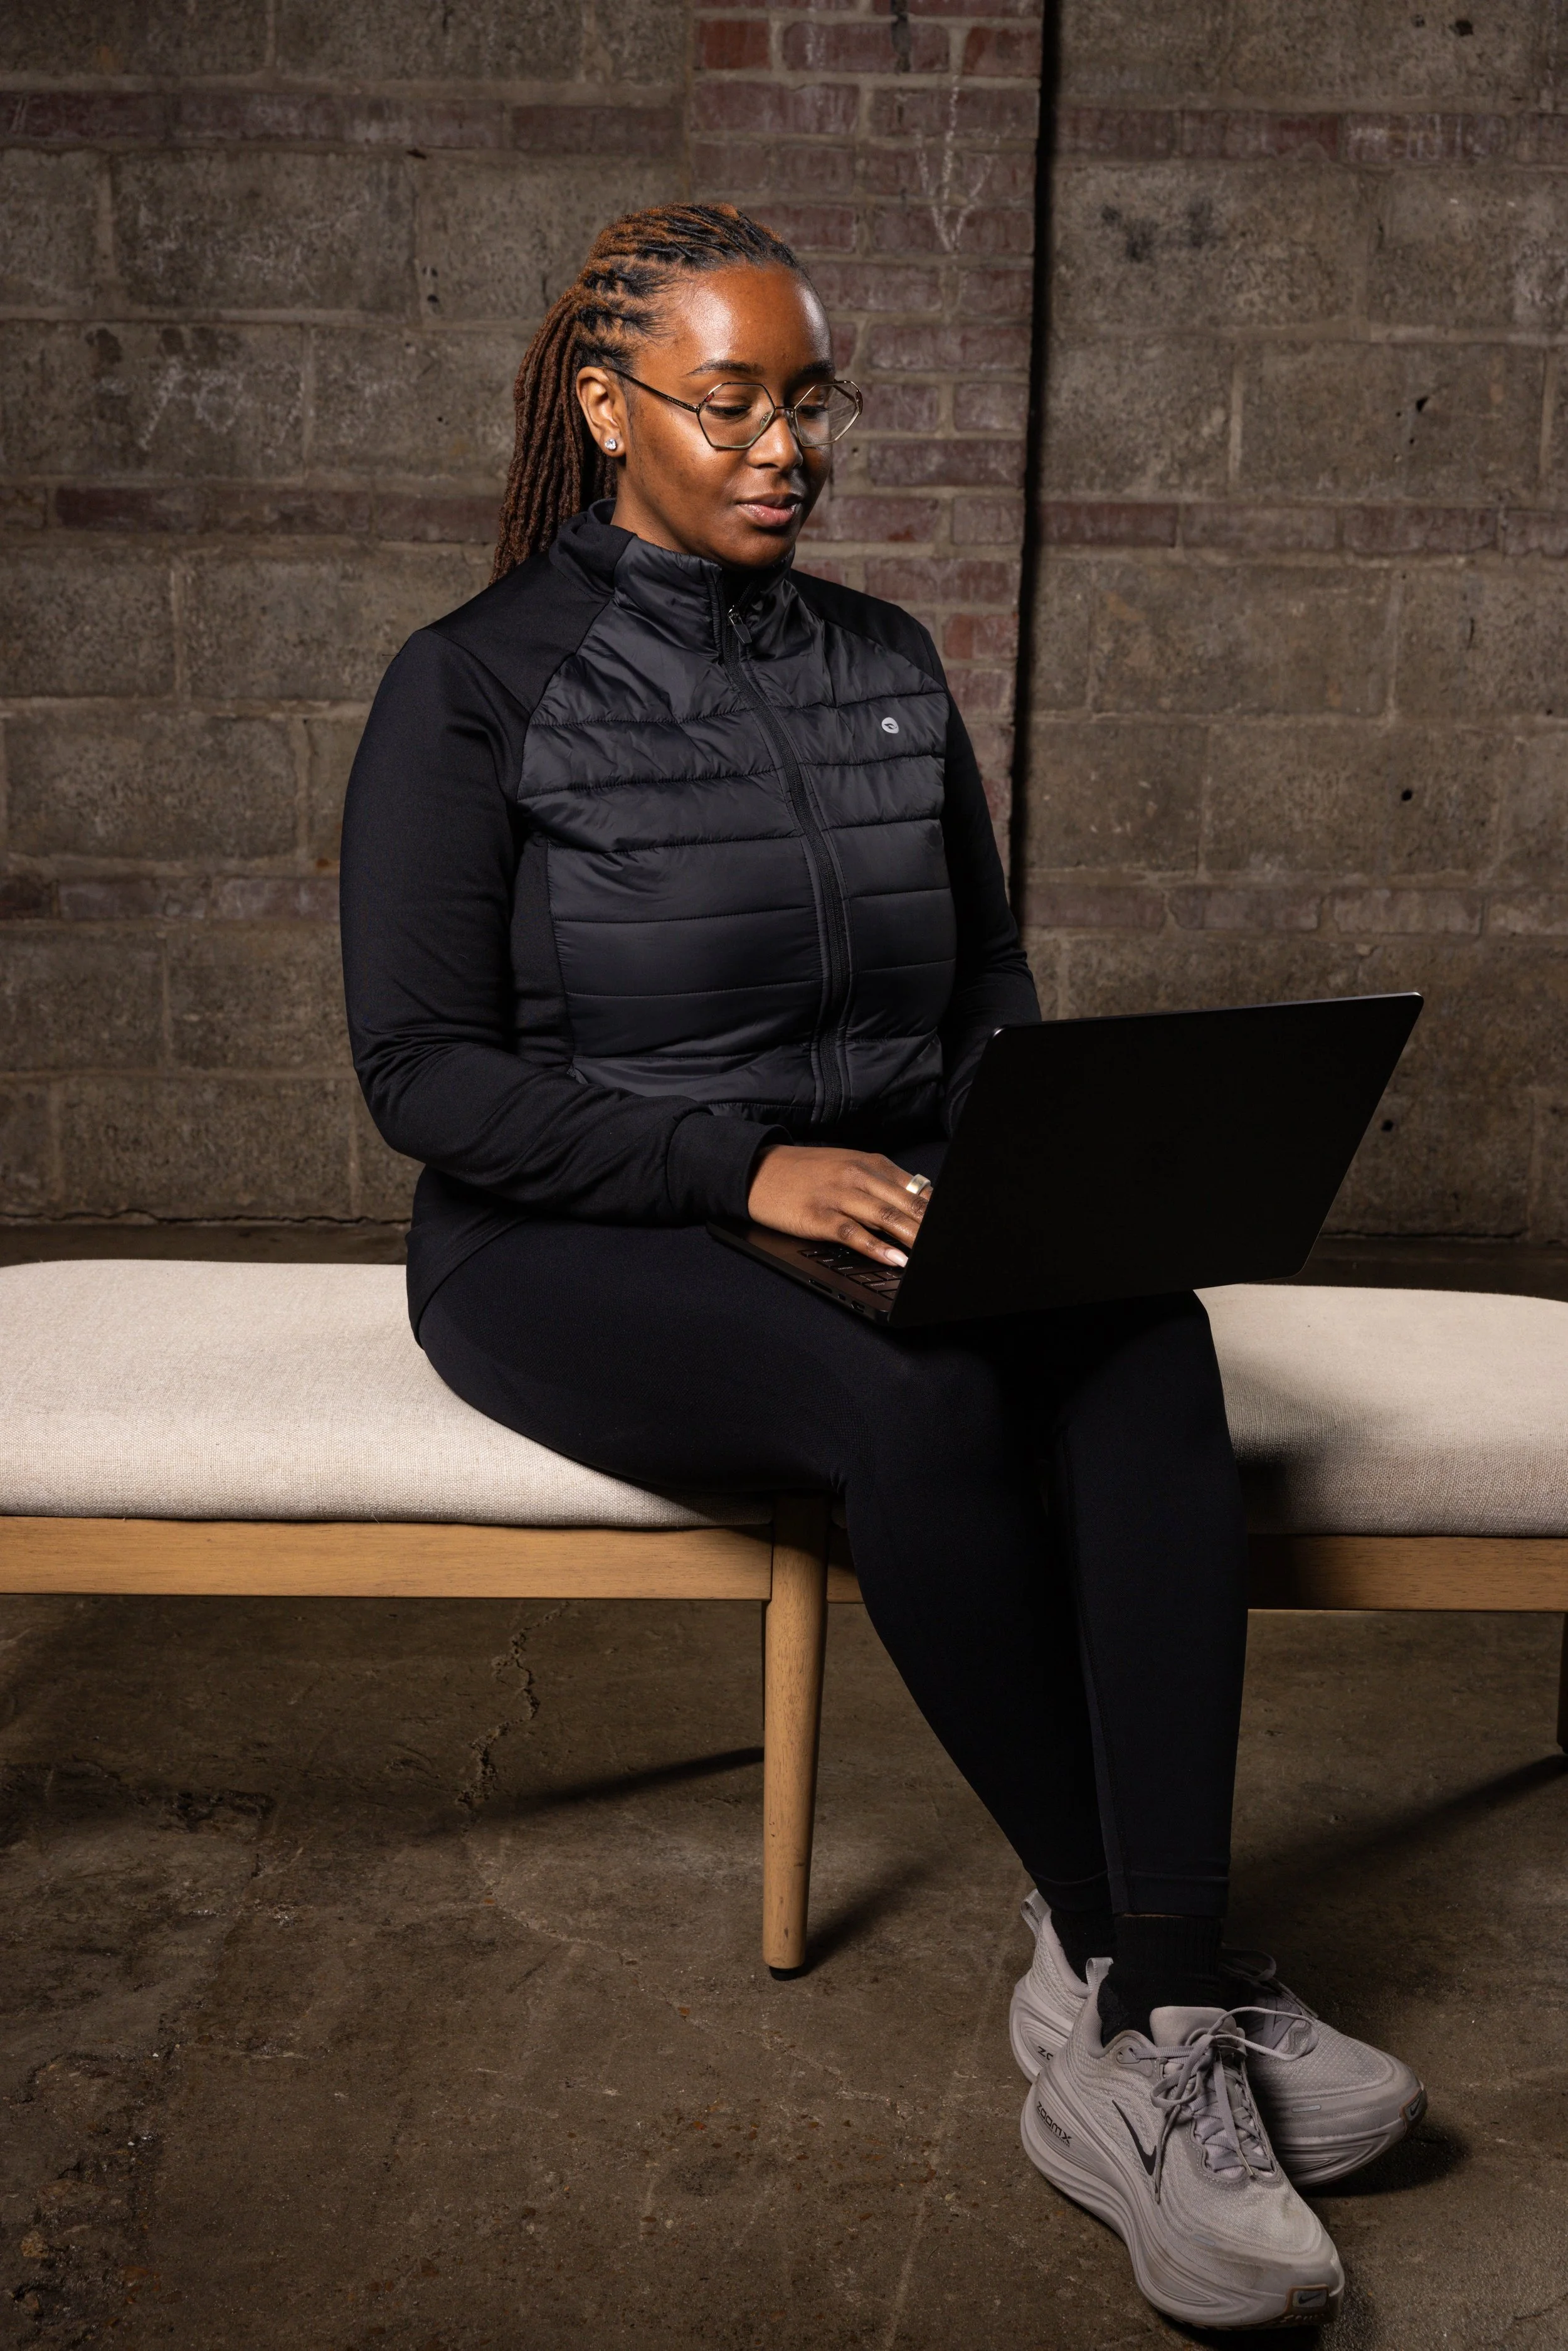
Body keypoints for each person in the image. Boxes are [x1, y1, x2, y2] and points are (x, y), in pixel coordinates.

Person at [340, 202, 1421, 2330]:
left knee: (1139, 1337)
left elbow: (984, 976)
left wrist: (1037, 1159)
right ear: (604, 406)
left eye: (806, 399)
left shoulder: (886, 657)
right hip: (560, 1242)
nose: (779, 444)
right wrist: (743, 1168)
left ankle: (1156, 1984)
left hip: (890, 1195)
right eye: (725, 399)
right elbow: (423, 1077)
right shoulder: (470, 688)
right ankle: (1143, 1999)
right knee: (914, 1402)